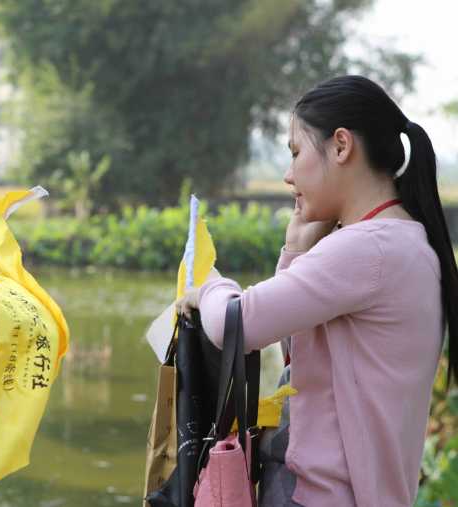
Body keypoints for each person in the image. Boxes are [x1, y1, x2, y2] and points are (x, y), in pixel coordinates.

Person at [177, 75, 458, 507]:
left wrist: (209, 285)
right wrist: (296, 249)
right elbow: (295, 336)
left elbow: (237, 323)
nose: (289, 176)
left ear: (341, 146)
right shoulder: (401, 241)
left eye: (295, 152)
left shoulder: (369, 248)